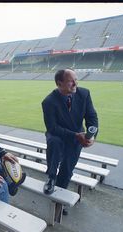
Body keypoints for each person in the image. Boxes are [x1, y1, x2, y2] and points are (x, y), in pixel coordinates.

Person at [42, 68, 98, 214]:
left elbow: (92, 117)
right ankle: (51, 177)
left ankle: (58, 200)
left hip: (76, 137)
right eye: (71, 81)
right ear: (59, 83)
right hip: (58, 135)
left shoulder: (84, 94)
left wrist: (92, 135)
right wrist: (76, 135)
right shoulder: (48, 102)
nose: (75, 83)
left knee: (67, 169)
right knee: (54, 143)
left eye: (76, 80)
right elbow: (52, 128)